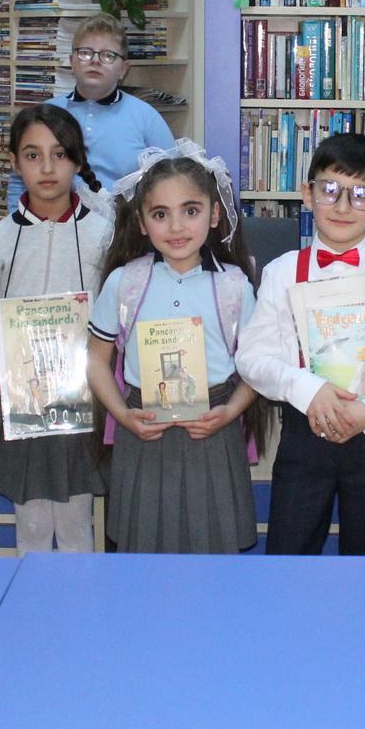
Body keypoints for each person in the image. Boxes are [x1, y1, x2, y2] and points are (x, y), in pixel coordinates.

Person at [237, 132, 365, 555]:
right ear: (307, 194)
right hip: (303, 434)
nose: (344, 206)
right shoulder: (282, 271)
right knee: (289, 556)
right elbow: (252, 356)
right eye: (330, 190)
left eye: (361, 194)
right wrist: (307, 389)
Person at [86, 141, 260, 553]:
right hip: (143, 429)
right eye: (161, 214)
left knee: (212, 548)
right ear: (141, 222)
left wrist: (230, 412)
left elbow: (258, 366)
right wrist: (124, 416)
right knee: (143, 550)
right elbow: (95, 360)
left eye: (191, 211)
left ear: (214, 215)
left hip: (213, 428)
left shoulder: (235, 285)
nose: (176, 227)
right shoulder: (124, 282)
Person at [0, 104, 111, 554]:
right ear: (13, 161)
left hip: (85, 398)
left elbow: (115, 321)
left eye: (60, 154)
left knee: (75, 521)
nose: (47, 168)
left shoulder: (104, 236)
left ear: (78, 159)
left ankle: (77, 599)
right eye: (33, 155)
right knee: (30, 523)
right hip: (20, 400)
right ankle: (30, 597)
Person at [6, 14, 172, 209]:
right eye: (85, 53)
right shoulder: (45, 115)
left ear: (123, 69)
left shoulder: (146, 117)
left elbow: (174, 180)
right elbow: (20, 178)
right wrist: (18, 220)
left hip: (125, 223)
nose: (95, 61)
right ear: (71, 61)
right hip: (55, 221)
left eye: (108, 55)